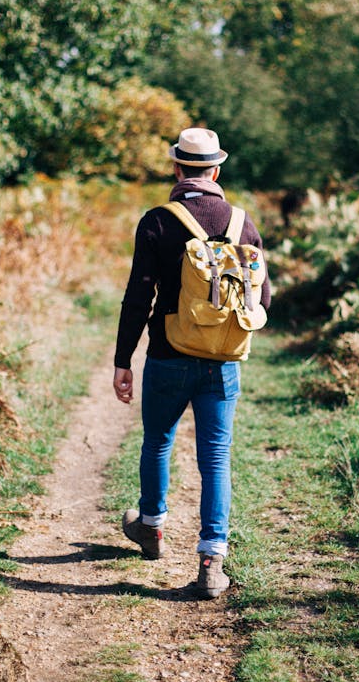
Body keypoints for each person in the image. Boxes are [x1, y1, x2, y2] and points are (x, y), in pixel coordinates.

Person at [112, 127, 271, 599]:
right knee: (215, 457)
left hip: (167, 354)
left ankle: (151, 527)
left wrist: (124, 359)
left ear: (177, 169)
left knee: (158, 441)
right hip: (222, 362)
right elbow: (263, 296)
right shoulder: (243, 223)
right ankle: (211, 560)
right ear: (216, 170)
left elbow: (138, 296)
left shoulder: (158, 220)